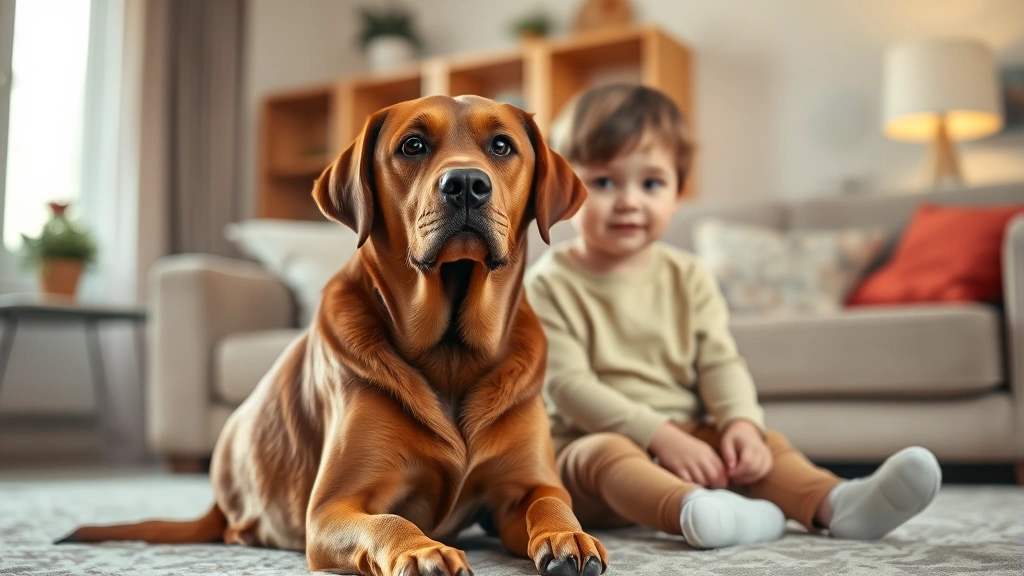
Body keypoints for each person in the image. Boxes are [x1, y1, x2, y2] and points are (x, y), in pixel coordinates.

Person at [524, 84, 941, 549]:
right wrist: (659, 436)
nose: (629, 201)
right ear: (566, 189)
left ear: (679, 194)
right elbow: (568, 386)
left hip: (685, 435)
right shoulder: (548, 284)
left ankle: (837, 503)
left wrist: (741, 422)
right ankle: (696, 510)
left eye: (651, 183)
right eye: (604, 182)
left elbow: (719, 362)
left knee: (764, 446)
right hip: (584, 449)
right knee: (603, 453)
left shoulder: (689, 275)